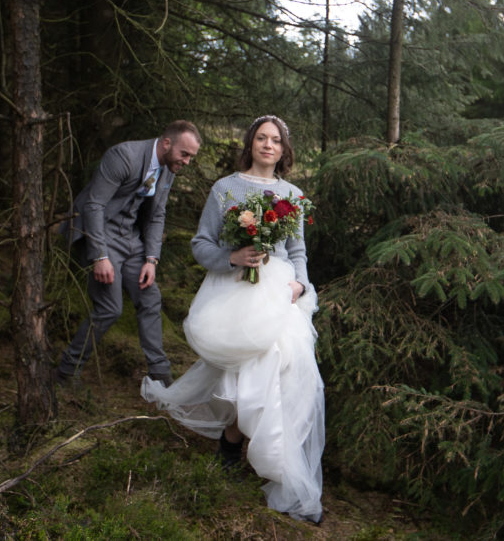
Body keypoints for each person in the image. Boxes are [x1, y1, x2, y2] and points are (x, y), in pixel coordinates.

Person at [141, 115, 324, 524]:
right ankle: (232, 440)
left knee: (282, 375)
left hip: (280, 293)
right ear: (250, 143)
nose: (268, 145)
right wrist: (233, 258)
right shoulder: (225, 188)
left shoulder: (292, 193)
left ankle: (270, 461)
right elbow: (201, 243)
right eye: (261, 137)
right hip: (236, 290)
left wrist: (300, 287)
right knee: (245, 380)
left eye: (276, 140)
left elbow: (297, 251)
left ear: (284, 149)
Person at [57, 120, 202, 387]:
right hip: (101, 231)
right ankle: (68, 368)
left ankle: (159, 373)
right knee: (110, 308)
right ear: (167, 143)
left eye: (191, 157)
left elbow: (157, 215)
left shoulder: (169, 168)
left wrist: (151, 259)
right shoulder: (124, 156)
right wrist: (99, 256)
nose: (187, 162)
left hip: (131, 238)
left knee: (150, 298)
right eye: (185, 154)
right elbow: (94, 205)